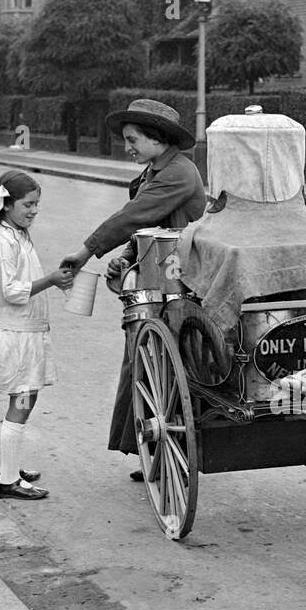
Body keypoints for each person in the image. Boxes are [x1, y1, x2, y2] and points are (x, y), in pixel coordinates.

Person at [58, 99, 206, 464]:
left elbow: (135, 214)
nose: (127, 148)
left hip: (181, 282)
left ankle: (162, 446)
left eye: (133, 139)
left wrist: (85, 252)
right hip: (160, 278)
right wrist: (124, 257)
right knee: (143, 359)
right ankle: (152, 446)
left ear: (158, 138)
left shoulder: (179, 173)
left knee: (159, 361)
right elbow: (144, 226)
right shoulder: (154, 172)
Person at [0, 170, 77, 500]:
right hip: (15, 338)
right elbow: (14, 292)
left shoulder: (15, 234)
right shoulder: (3, 242)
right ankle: (8, 481)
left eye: (37, 205)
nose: (33, 211)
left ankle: (11, 468)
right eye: (28, 205)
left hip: (25, 334)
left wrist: (54, 281)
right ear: (8, 205)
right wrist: (52, 280)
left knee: (24, 401)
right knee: (22, 403)